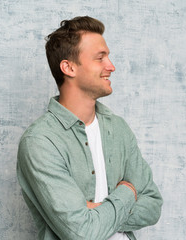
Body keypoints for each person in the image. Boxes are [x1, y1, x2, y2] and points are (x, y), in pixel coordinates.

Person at [17, 16, 163, 240]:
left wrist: (94, 211)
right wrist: (128, 192)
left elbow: (153, 206)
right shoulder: (40, 141)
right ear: (69, 67)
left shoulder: (119, 129)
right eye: (100, 58)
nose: (111, 67)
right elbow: (82, 232)